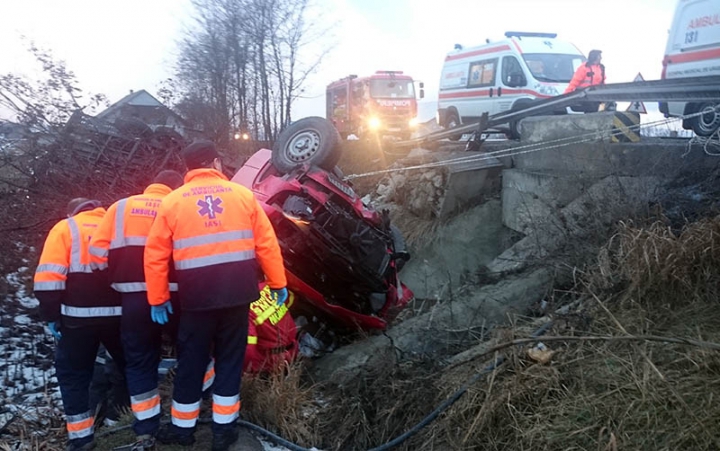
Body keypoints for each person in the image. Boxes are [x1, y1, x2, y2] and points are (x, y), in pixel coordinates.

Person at [144, 140, 288, 450]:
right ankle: (224, 432)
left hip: (196, 299)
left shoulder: (172, 202)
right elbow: (266, 244)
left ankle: (183, 430)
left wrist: (158, 298)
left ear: (189, 168)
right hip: (238, 294)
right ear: (216, 163)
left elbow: (155, 255)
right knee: (229, 361)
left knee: (192, 361)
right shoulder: (242, 196)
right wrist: (278, 283)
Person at [89, 170, 184, 449]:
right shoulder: (178, 205)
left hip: (132, 299)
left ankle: (145, 432)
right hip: (175, 296)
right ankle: (199, 408)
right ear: (174, 188)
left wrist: (113, 276)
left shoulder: (120, 208)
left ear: (150, 185)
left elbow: (97, 253)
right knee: (195, 351)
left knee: (140, 361)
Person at [34, 197, 125, 451]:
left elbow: (47, 278)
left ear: (72, 212)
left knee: (73, 376)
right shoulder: (116, 226)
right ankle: (125, 422)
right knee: (130, 367)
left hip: (77, 318)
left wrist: (51, 316)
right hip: (118, 315)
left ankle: (82, 438)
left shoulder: (66, 228)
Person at [244, 284, 298, 374]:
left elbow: (248, 351)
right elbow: (291, 299)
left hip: (276, 361)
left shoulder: (243, 313)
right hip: (294, 346)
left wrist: (249, 370)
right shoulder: (266, 285)